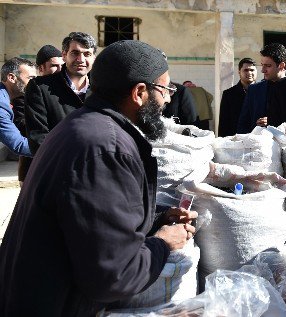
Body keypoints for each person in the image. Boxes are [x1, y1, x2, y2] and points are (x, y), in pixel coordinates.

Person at [0, 40, 196, 316]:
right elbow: (113, 276)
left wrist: (153, 218)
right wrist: (163, 242)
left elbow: (87, 218)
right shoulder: (106, 147)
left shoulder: (84, 125)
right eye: (164, 89)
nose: (166, 100)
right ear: (140, 92)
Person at [25, 32, 97, 155]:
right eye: (75, 53)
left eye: (87, 54)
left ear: (94, 57)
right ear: (64, 55)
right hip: (58, 167)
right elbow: (38, 138)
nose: (81, 60)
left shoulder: (102, 88)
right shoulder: (40, 88)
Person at [238, 43, 286, 133]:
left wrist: (273, 121)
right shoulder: (254, 90)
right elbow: (243, 124)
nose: (263, 70)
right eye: (262, 65)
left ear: (281, 66)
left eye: (268, 66)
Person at [0, 58, 35, 158]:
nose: (35, 83)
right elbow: (18, 144)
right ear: (11, 78)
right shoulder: (1, 104)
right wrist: (55, 150)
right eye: (31, 78)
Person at [218, 57, 256, 137]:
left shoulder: (264, 91)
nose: (249, 73)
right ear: (239, 72)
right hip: (236, 140)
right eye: (246, 70)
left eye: (252, 70)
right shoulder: (228, 94)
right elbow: (224, 122)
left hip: (259, 139)